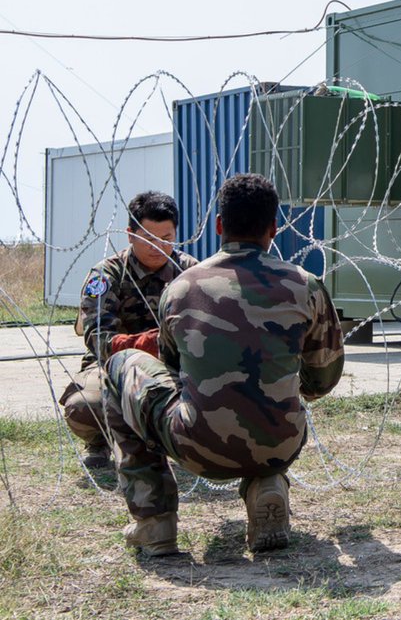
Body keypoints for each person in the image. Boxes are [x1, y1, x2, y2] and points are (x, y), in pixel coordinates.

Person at [104, 173, 344, 555]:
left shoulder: (180, 288)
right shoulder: (306, 285)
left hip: (199, 449)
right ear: (273, 229)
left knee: (120, 364)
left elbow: (173, 373)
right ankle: (267, 482)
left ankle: (154, 520)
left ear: (219, 225)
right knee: (271, 403)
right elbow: (323, 379)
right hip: (282, 443)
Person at [61, 191, 198, 469]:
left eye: (167, 238)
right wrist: (151, 344)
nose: (158, 247)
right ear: (130, 235)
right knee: (83, 407)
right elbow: (99, 339)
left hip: (176, 365)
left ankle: (174, 439)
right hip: (113, 366)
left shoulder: (190, 272)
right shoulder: (107, 275)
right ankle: (100, 439)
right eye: (149, 239)